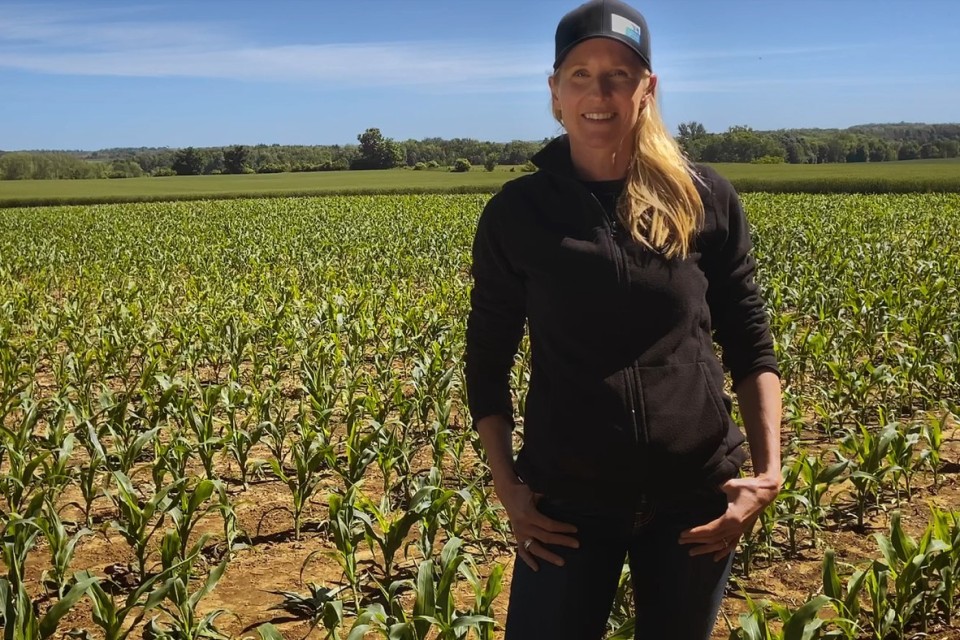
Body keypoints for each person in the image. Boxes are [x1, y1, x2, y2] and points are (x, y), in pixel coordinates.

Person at [463, 1, 783, 638]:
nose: (599, 93)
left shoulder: (702, 196)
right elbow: (487, 358)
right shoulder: (518, 213)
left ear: (648, 89)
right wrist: (509, 489)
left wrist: (768, 473)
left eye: (619, 75)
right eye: (580, 74)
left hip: (694, 501)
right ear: (554, 92)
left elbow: (750, 339)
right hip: (569, 504)